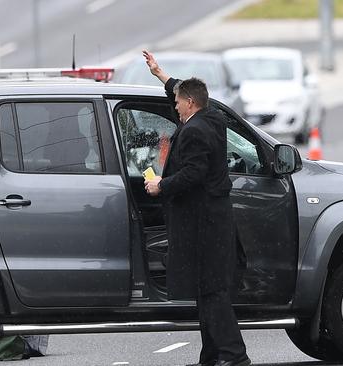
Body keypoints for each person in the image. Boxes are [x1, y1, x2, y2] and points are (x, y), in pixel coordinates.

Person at [142, 50, 251, 366]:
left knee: (213, 292)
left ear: (189, 104)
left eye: (177, 102)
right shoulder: (211, 117)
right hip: (213, 221)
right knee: (208, 292)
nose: (174, 106)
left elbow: (194, 173)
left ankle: (235, 356)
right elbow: (186, 89)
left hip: (205, 225)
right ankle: (212, 357)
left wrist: (160, 185)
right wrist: (161, 75)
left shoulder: (195, 131)